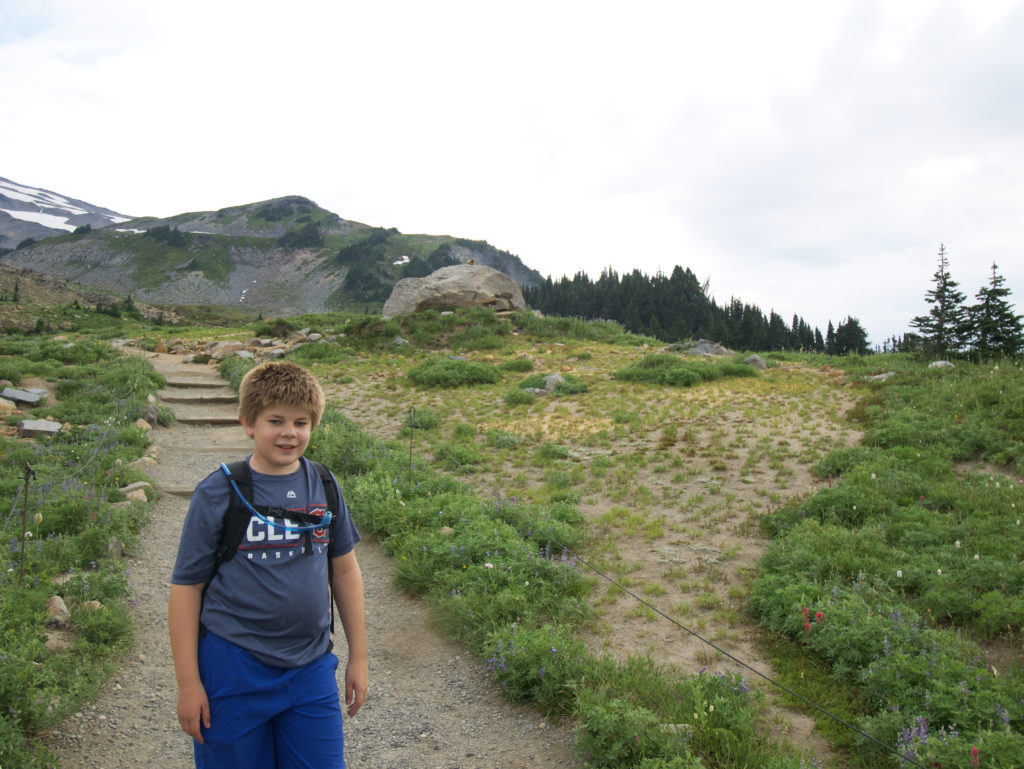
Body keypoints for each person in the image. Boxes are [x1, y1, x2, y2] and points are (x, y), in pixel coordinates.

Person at [168, 360, 368, 768]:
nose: (289, 433)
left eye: (301, 422)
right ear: (248, 423)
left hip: (310, 669)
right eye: (275, 420)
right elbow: (186, 589)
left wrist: (359, 657)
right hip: (232, 668)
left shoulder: (325, 485)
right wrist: (189, 684)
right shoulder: (218, 492)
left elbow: (345, 571)